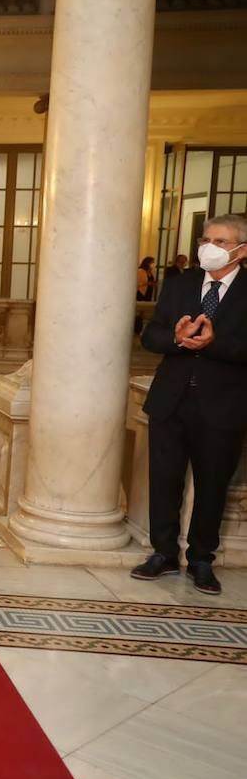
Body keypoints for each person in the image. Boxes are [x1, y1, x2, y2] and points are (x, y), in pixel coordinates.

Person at [132, 215, 247, 596]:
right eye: (205, 238)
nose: (209, 247)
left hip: (223, 405)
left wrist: (214, 343)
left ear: (241, 250)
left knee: (213, 485)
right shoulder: (179, 284)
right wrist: (178, 339)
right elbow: (152, 336)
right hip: (171, 400)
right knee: (164, 480)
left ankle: (201, 560)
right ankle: (162, 553)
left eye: (220, 240)